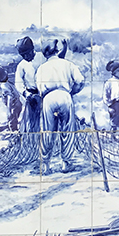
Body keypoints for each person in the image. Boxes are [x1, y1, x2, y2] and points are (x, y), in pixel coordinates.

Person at [35, 39, 85, 171]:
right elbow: (80, 81)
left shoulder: (41, 68)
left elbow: (40, 90)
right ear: (57, 51)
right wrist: (73, 92)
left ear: (45, 54)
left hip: (48, 98)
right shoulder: (68, 64)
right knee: (67, 130)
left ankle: (45, 164)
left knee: (48, 131)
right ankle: (65, 163)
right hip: (64, 96)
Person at [14, 37, 40, 135]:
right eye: (22, 55)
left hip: (45, 95)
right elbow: (18, 82)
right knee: (29, 124)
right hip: (30, 96)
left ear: (32, 49)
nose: (25, 57)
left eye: (27, 53)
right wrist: (25, 93)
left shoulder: (43, 58)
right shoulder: (21, 65)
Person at [0, 66, 22, 132]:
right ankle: (14, 130)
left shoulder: (4, 86)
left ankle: (13, 132)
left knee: (11, 119)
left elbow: (9, 98)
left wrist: (9, 110)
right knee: (14, 119)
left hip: (14, 105)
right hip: (18, 103)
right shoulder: (8, 83)